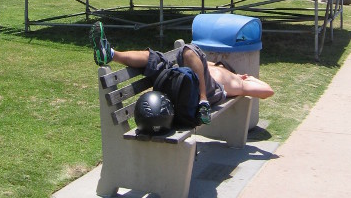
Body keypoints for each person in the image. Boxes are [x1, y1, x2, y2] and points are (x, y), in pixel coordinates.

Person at [90, 22, 274, 125]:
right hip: (184, 81)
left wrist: (247, 79)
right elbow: (198, 64)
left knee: (189, 49)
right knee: (155, 57)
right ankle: (110, 54)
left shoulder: (237, 83)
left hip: (205, 93)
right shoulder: (213, 67)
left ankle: (203, 101)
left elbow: (268, 91)